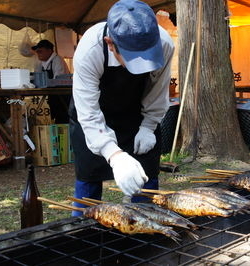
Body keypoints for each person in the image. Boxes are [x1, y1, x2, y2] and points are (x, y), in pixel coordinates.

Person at [69, 0, 174, 216]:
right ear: (110, 43)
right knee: (89, 178)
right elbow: (88, 112)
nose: (142, 65)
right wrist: (114, 155)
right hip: (95, 115)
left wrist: (148, 126)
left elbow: (158, 91)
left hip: (136, 114)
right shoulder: (90, 50)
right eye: (135, 59)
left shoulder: (164, 44)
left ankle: (145, 229)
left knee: (147, 179)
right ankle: (82, 232)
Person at [32, 39, 71, 123]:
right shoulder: (41, 63)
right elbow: (37, 75)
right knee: (56, 116)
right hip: (53, 94)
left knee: (63, 116)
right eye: (37, 52)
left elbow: (57, 79)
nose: (38, 54)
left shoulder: (57, 60)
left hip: (62, 95)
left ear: (49, 51)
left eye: (40, 51)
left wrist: (47, 83)